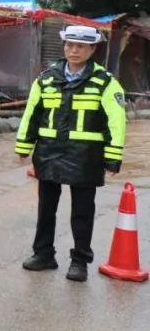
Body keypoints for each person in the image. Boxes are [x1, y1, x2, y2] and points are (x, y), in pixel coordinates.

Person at [16, 24, 126, 282]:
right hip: (49, 152)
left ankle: (79, 262)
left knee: (82, 212)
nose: (74, 50)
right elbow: (31, 114)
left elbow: (116, 121)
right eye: (70, 45)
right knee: (46, 208)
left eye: (80, 46)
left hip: (86, 155)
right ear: (64, 46)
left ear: (91, 50)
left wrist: (113, 155)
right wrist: (23, 145)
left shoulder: (105, 83)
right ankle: (43, 254)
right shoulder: (46, 79)